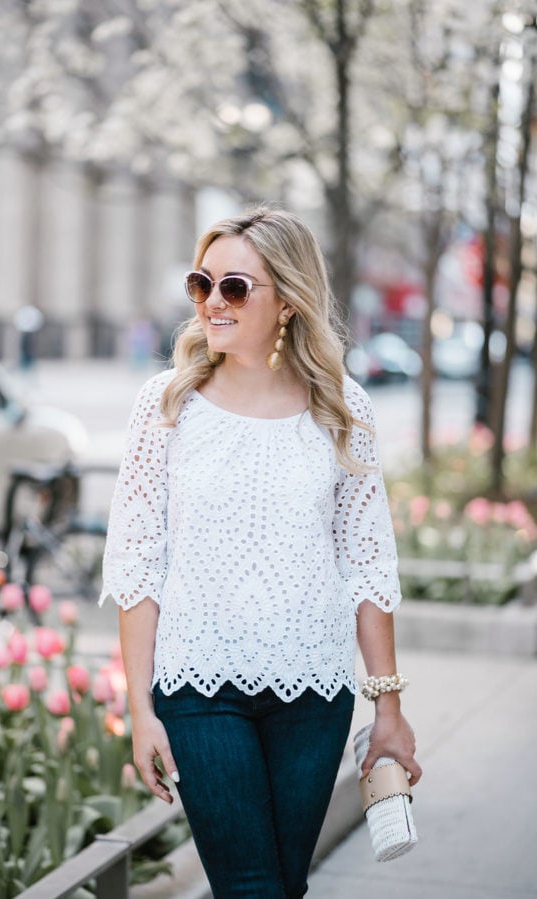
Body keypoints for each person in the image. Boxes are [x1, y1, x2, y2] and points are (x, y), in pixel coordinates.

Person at [100, 205, 422, 899]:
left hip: (315, 691)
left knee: (284, 884)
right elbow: (136, 565)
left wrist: (387, 708)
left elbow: (368, 564)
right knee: (251, 887)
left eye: (235, 287)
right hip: (197, 685)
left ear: (287, 301)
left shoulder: (344, 409)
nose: (213, 302)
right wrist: (140, 709)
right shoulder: (166, 407)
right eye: (202, 283)